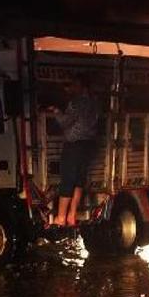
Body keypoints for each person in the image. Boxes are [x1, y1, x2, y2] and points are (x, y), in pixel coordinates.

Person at [48, 73, 98, 227]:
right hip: (88, 145)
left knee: (68, 179)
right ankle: (72, 215)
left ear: (81, 87)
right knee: (79, 181)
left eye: (74, 85)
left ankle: (61, 217)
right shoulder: (94, 102)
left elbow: (65, 122)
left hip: (74, 145)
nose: (71, 87)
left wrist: (55, 111)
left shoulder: (76, 103)